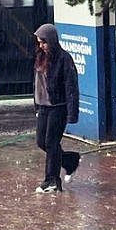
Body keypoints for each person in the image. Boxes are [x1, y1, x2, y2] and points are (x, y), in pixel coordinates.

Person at [33, 23, 81, 193]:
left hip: (58, 107)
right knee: (41, 142)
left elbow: (71, 87)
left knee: (51, 143)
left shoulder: (64, 59)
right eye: (39, 42)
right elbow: (38, 84)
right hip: (44, 106)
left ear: (52, 41)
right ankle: (69, 160)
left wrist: (72, 113)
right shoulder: (40, 57)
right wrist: (37, 106)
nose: (41, 46)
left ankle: (51, 180)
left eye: (44, 42)